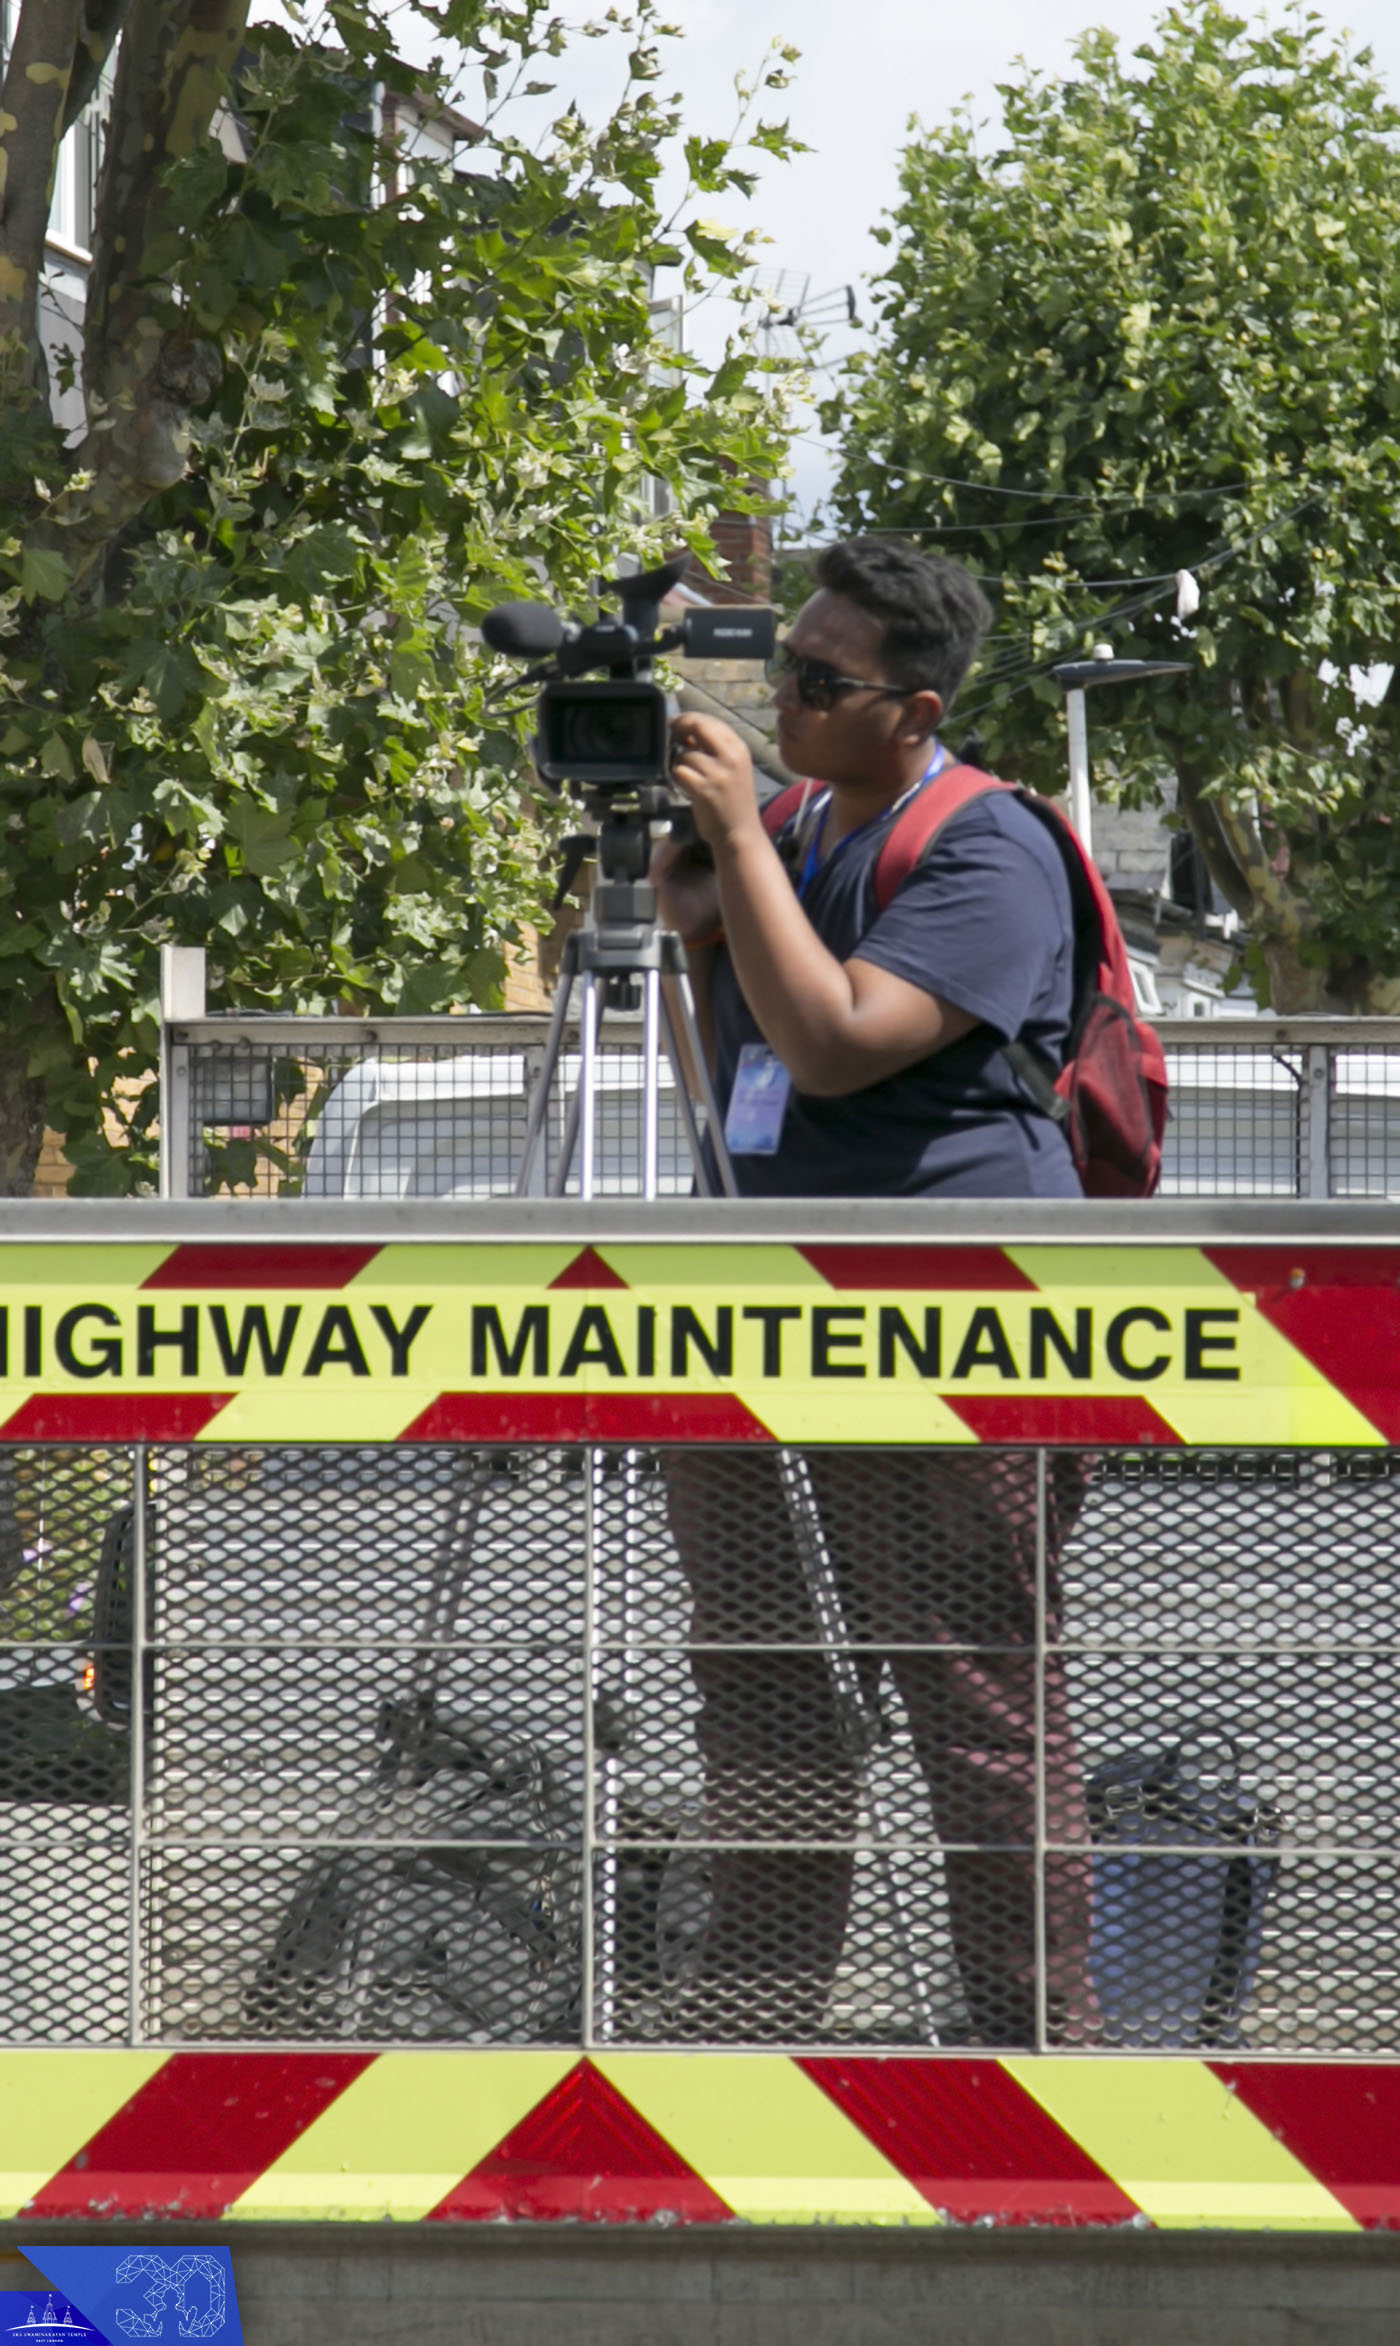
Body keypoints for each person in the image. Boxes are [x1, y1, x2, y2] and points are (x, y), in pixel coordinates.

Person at [651, 536, 1095, 2046]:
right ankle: (754, 2022)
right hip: (763, 1315)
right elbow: (721, 1086)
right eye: (785, 665)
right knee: (760, 1682)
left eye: (820, 682)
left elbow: (838, 1039)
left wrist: (748, 857)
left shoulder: (990, 847)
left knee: (970, 1708)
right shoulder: (787, 829)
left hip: (953, 1330)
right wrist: (694, 921)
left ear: (914, 709)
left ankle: (1039, 2068)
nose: (784, 697)